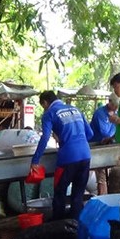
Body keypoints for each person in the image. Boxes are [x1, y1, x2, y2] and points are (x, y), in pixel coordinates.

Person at [31, 90, 94, 220]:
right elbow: (90, 134)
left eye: (43, 106)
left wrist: (35, 160)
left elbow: (45, 137)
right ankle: (76, 228)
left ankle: (59, 227)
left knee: (60, 194)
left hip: (67, 159)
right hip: (85, 156)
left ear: (45, 102)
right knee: (78, 195)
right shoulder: (75, 109)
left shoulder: (49, 114)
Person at [90, 93, 120, 195]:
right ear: (109, 102)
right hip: (97, 146)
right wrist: (115, 122)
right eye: (115, 105)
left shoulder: (117, 113)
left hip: (110, 146)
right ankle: (102, 198)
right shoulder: (100, 114)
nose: (116, 108)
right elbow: (105, 133)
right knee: (101, 175)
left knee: (112, 174)